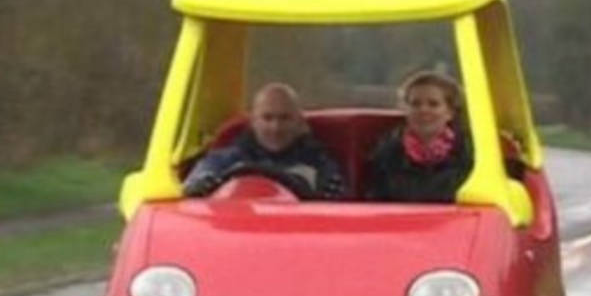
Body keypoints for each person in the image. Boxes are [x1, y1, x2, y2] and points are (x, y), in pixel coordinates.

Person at [183, 83, 346, 199]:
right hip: (237, 233)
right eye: (268, 118)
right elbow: (192, 186)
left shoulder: (319, 164)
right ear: (253, 121)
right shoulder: (225, 160)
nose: (276, 128)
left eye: (285, 118)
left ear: (300, 123)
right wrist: (202, 186)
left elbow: (337, 207)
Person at [367, 71, 473, 202]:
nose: (423, 110)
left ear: (450, 112)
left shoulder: (471, 153)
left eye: (433, 104)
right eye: (415, 104)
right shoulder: (387, 154)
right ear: (405, 109)